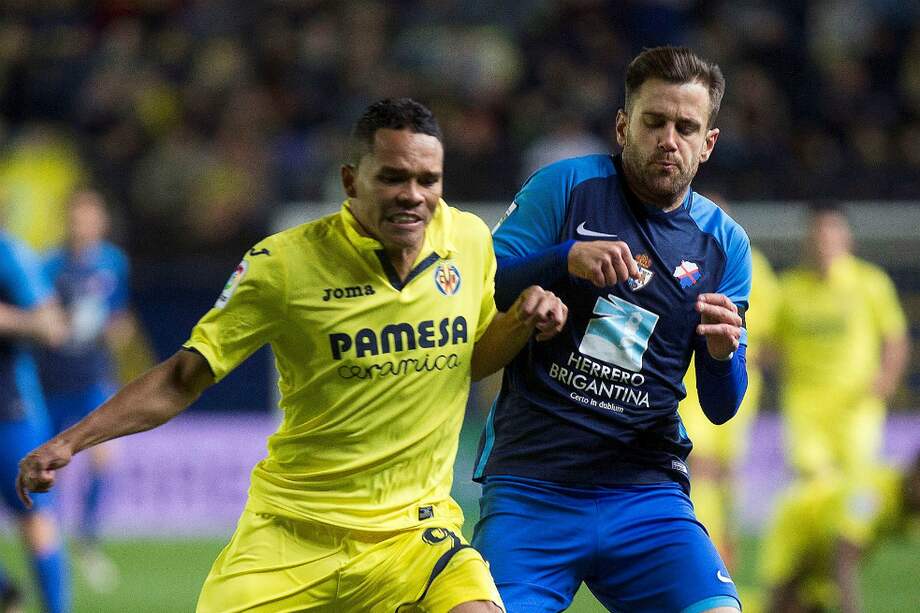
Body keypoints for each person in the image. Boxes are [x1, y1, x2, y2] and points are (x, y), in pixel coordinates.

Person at [17, 98, 567, 612]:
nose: (413, 195)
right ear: (351, 180)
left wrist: (518, 322)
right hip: (291, 533)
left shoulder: (469, 242)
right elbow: (183, 377)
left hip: (413, 535)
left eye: (429, 180)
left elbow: (471, 359)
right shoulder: (284, 265)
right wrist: (70, 442)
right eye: (393, 177)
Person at [472, 46, 752, 612]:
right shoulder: (565, 187)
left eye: (685, 127)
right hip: (533, 488)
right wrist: (563, 257)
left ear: (708, 144)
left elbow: (721, 407)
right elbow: (482, 285)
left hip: (647, 496)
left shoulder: (725, 246)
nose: (668, 139)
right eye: (654, 122)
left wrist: (724, 357)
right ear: (623, 126)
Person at [35, 189, 142, 592]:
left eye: (90, 218)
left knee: (105, 459)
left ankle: (88, 539)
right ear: (69, 221)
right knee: (50, 466)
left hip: (94, 378)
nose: (84, 225)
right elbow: (39, 315)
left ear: (101, 223)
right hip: (52, 381)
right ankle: (50, 538)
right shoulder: (49, 265)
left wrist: (119, 330)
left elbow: (119, 314)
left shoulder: (114, 262)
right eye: (78, 218)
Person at [773, 203, 909, 482]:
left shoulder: (870, 283)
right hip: (805, 403)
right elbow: (771, 343)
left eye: (831, 235)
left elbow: (895, 337)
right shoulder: (789, 289)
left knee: (855, 483)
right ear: (808, 241)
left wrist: (886, 380)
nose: (824, 243)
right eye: (818, 236)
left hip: (857, 401)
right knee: (813, 483)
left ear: (847, 239)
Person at [679, 231, 780, 569]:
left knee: (727, 472)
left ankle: (724, 545)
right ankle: (704, 549)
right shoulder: (682, 258)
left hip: (736, 377)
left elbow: (770, 329)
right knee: (699, 464)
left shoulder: (754, 266)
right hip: (689, 381)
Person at [0, 223, 70, 613]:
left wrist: (6, 319)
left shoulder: (9, 254)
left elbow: (51, 326)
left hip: (11, 413)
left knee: (35, 522)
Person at [760, 451, 920, 613]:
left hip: (828, 539)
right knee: (780, 604)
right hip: (799, 521)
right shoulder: (872, 495)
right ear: (915, 474)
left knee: (812, 605)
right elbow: (845, 557)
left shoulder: (909, 505)